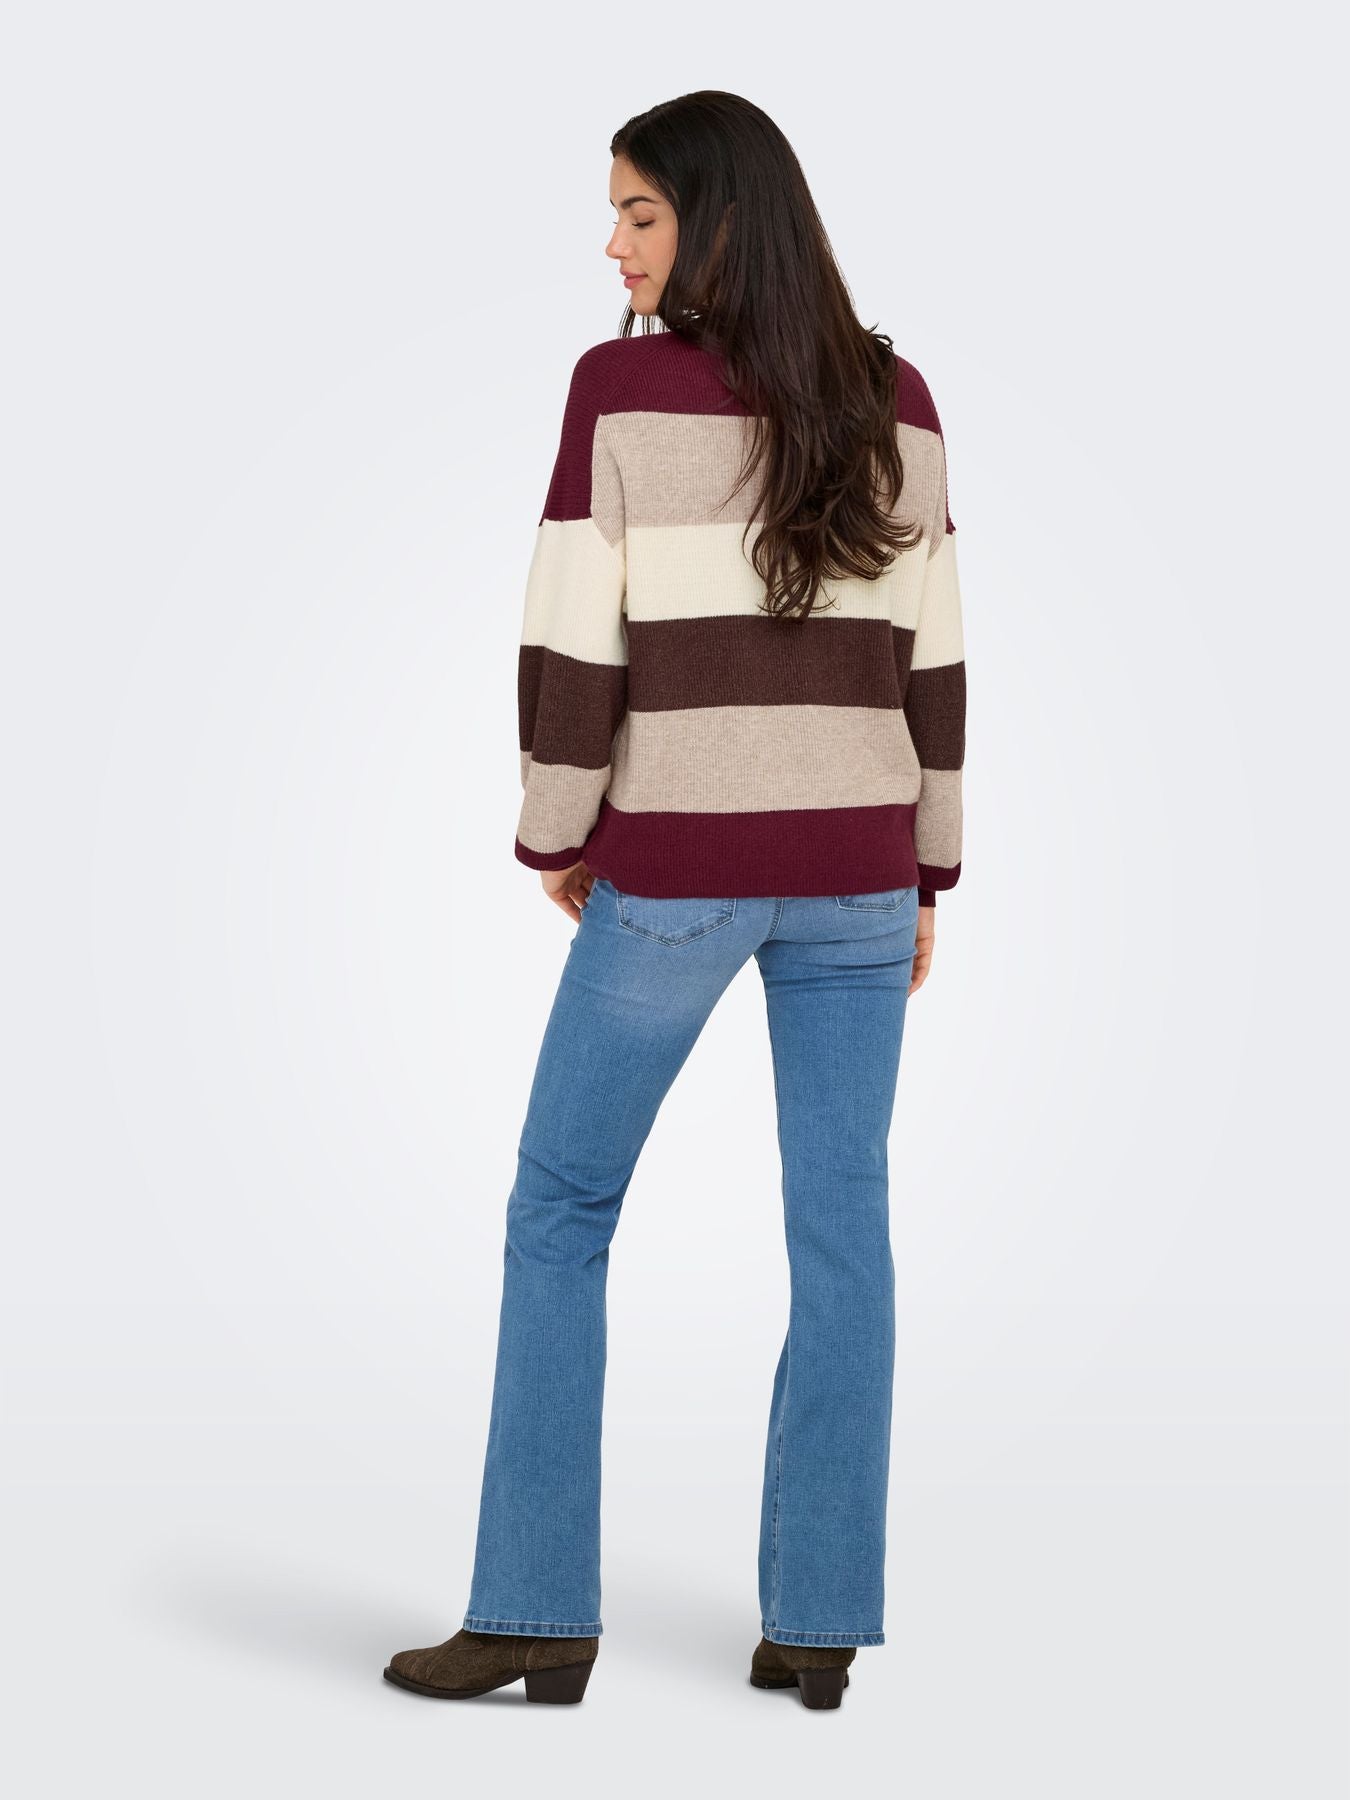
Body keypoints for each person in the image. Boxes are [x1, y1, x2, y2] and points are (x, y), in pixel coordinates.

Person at [384, 88, 966, 1713]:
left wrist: (554, 835)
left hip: (680, 873)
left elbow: (574, 636)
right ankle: (817, 1626)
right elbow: (936, 655)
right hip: (856, 880)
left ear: (715, 220)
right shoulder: (899, 397)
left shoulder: (621, 390)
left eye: (637, 212)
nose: (613, 243)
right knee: (843, 1234)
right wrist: (926, 865)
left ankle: (532, 1615)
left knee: (560, 1213)